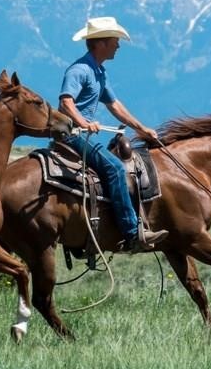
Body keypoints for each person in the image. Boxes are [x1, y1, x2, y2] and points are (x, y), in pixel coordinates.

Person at [59, 16, 168, 253]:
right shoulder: (80, 70)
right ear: (101, 43)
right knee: (116, 169)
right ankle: (131, 232)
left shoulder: (99, 72)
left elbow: (115, 106)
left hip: (83, 134)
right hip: (73, 135)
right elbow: (66, 102)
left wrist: (141, 128)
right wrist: (83, 123)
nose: (118, 45)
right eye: (115, 41)